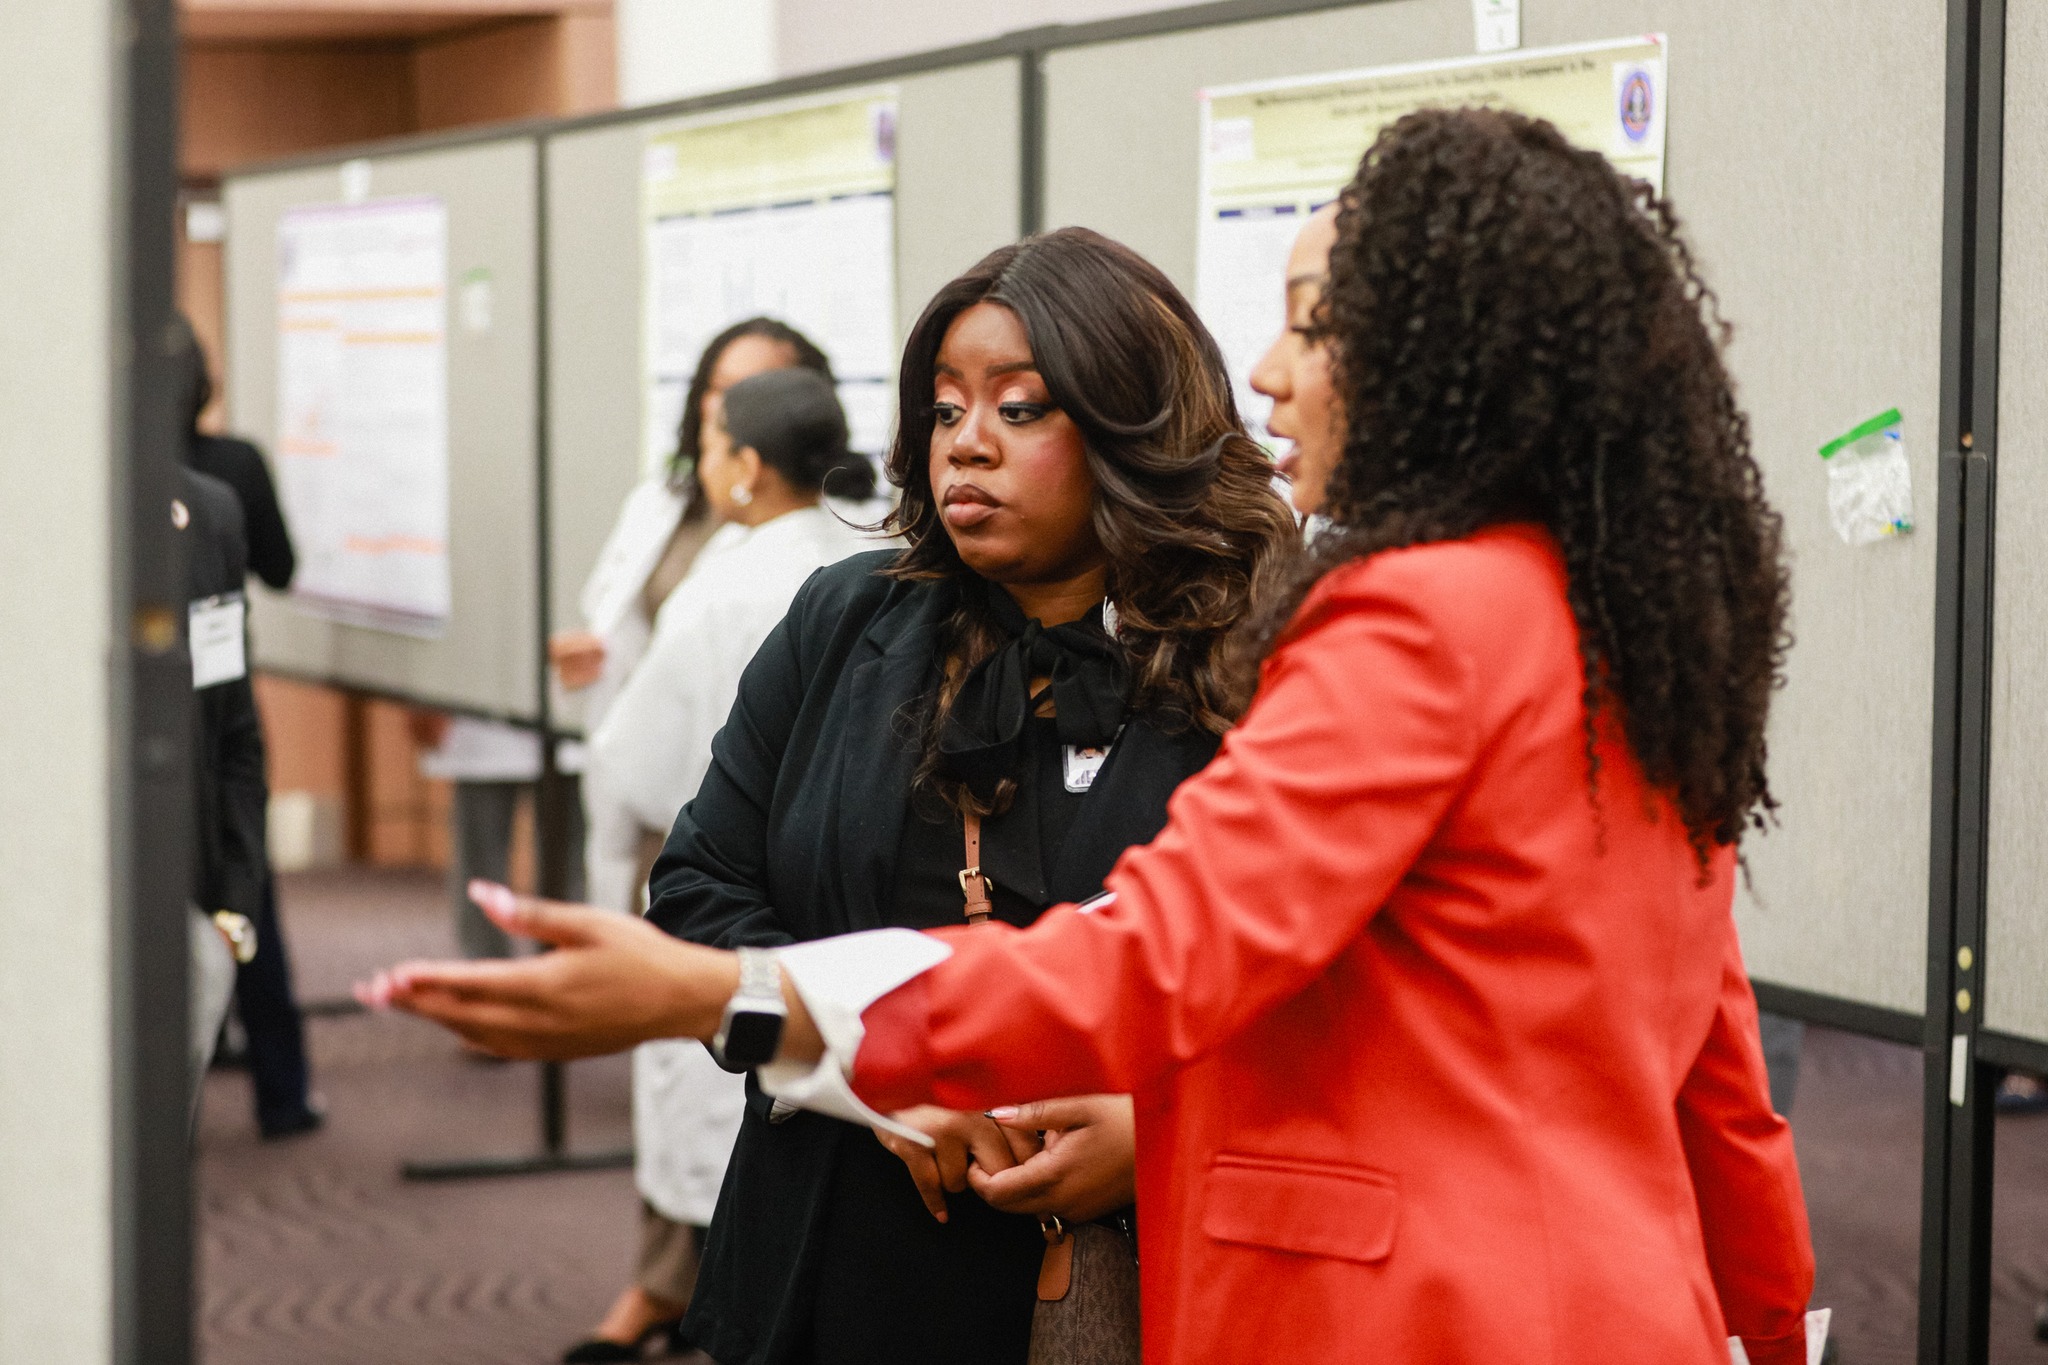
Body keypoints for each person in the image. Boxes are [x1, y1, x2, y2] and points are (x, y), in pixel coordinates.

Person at [368, 108, 1818, 1364]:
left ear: (1442, 354)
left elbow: (1159, 952)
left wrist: (753, 1001)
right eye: (945, 410)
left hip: (1425, 1311)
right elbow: (1718, 1074)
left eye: (1311, 320)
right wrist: (1768, 1316)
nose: (1270, 366)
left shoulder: (1411, 621)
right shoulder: (1620, 621)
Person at [383, 227, 1294, 1365]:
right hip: (836, 1240)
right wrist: (878, 1079)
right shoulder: (847, 621)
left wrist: (1162, 1132)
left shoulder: (1255, 664)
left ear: (1131, 428)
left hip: (1129, 1267)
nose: (966, 446)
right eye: (944, 409)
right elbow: (700, 890)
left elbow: (1316, 999)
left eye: (1019, 409)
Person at [556, 319, 839, 1364]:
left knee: (713, 1098)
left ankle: (714, 1315)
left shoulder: (724, 583)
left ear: (747, 468)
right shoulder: (869, 558)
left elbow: (633, 767)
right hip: (830, 891)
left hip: (719, 882)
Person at [169, 315, 320, 1139]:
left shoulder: (210, 502)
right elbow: (285, 564)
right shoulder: (235, 464)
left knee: (239, 888)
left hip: (208, 730)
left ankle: (273, 1085)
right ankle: (283, 1092)